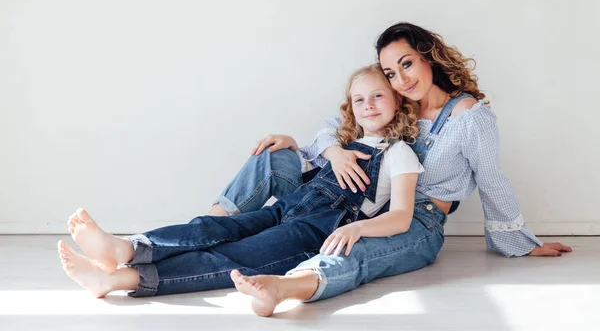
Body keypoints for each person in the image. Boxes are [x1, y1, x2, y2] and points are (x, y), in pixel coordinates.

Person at [208, 22, 572, 316]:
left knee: (356, 250)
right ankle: (209, 226)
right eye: (390, 73)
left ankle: (284, 288)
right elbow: (335, 122)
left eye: (407, 64)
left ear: (429, 56)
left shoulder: (470, 119)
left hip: (415, 219)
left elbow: (493, 181)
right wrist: (334, 151)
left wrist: (519, 244)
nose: (401, 79)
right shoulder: (397, 101)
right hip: (352, 202)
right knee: (274, 155)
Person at [58, 64, 432, 301]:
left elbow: (400, 216)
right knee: (215, 226)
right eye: (360, 99)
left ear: (397, 102)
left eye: (378, 96)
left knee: (232, 257)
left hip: (315, 232)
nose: (369, 104)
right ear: (350, 108)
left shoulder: (399, 153)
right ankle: (127, 247)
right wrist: (301, 146)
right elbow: (307, 156)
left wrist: (361, 228)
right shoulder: (343, 143)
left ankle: (119, 279)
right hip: (287, 209)